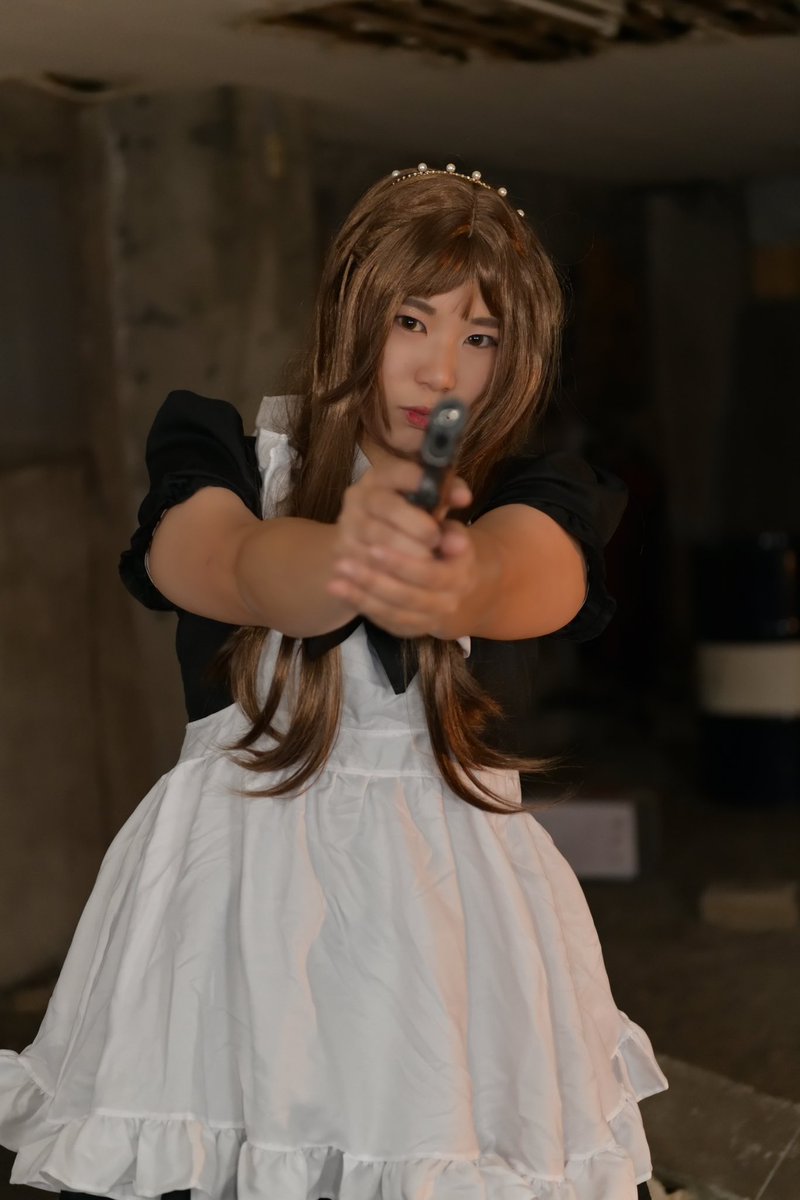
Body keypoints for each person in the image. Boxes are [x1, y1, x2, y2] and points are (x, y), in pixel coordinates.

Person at [0, 162, 667, 1200]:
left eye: (481, 337)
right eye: (412, 320)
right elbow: (222, 563)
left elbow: (531, 572)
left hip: (442, 941)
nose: (441, 367)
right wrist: (346, 555)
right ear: (354, 309)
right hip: (231, 931)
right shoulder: (218, 453)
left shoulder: (521, 491)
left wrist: (454, 579)